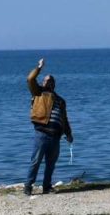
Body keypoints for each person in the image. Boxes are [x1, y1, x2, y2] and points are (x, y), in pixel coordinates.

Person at [24, 58, 73, 196]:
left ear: (54, 84)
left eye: (50, 81)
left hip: (56, 137)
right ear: (42, 82)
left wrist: (68, 134)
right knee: (35, 162)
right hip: (42, 134)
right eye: (45, 80)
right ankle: (28, 186)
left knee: (51, 164)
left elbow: (64, 119)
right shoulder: (38, 92)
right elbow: (30, 79)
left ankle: (47, 187)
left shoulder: (60, 100)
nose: (48, 82)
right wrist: (39, 67)